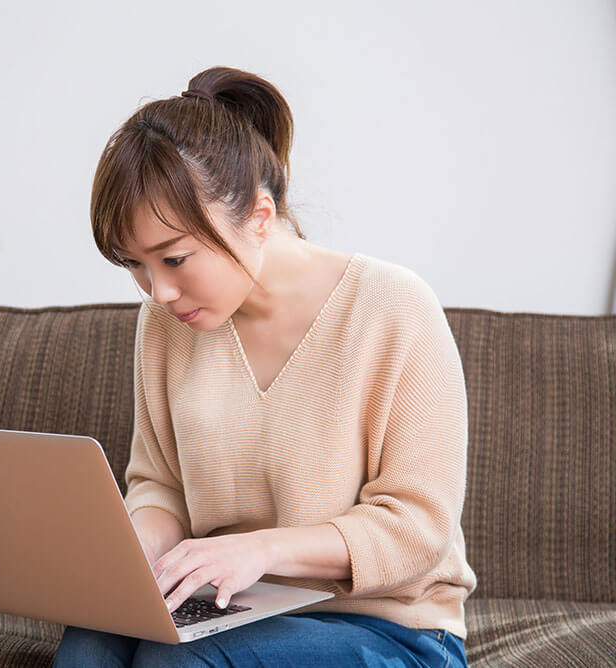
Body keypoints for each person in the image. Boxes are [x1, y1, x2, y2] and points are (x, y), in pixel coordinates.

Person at [53, 66, 476, 667]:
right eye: (136, 266)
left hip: (390, 629)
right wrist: (131, 552)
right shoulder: (167, 325)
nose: (158, 291)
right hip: (229, 607)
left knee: (174, 664)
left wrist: (259, 551)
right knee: (89, 642)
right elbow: (161, 485)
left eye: (174, 258)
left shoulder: (392, 308)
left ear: (259, 215)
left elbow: (418, 531)